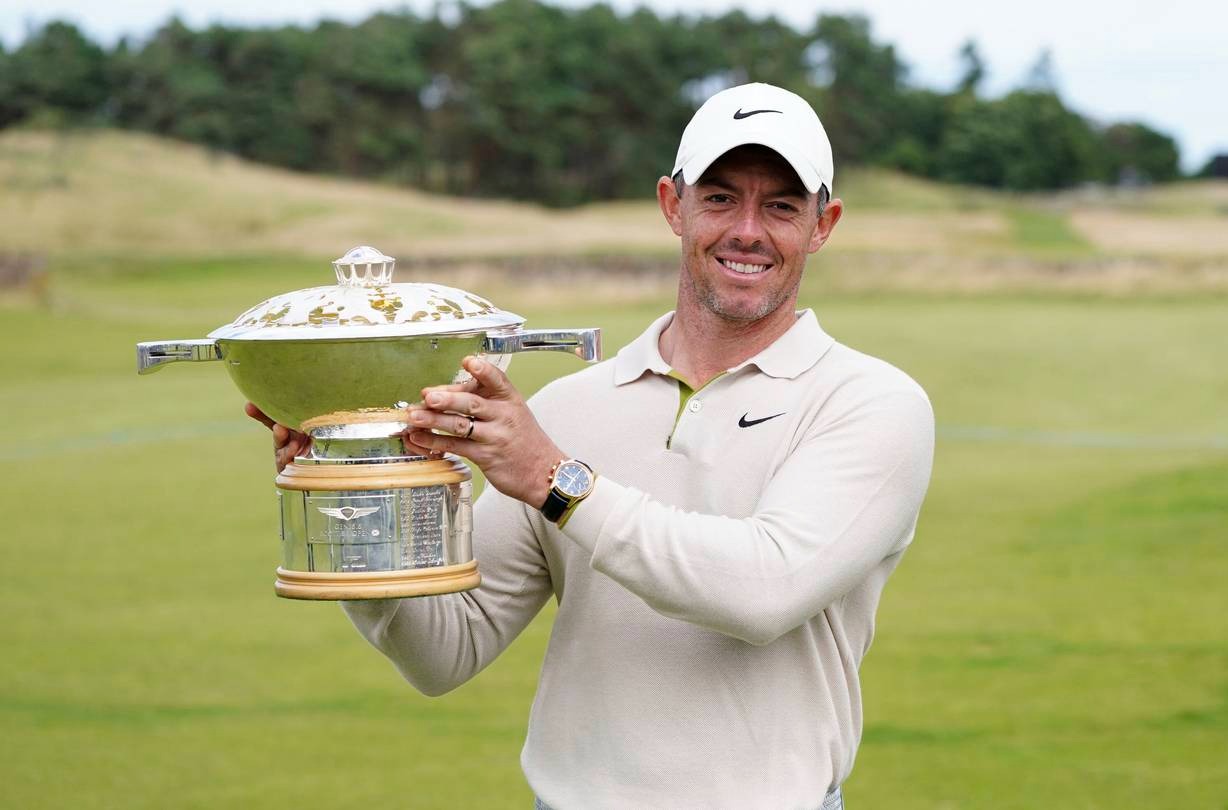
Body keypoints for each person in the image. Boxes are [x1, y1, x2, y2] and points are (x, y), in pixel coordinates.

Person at [251, 82, 934, 810]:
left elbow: (762, 592)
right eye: (721, 198)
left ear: (823, 224)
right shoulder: (569, 408)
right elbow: (445, 650)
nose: (747, 231)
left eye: (782, 206)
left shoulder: (872, 403)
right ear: (675, 205)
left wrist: (554, 478)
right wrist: (361, 488)